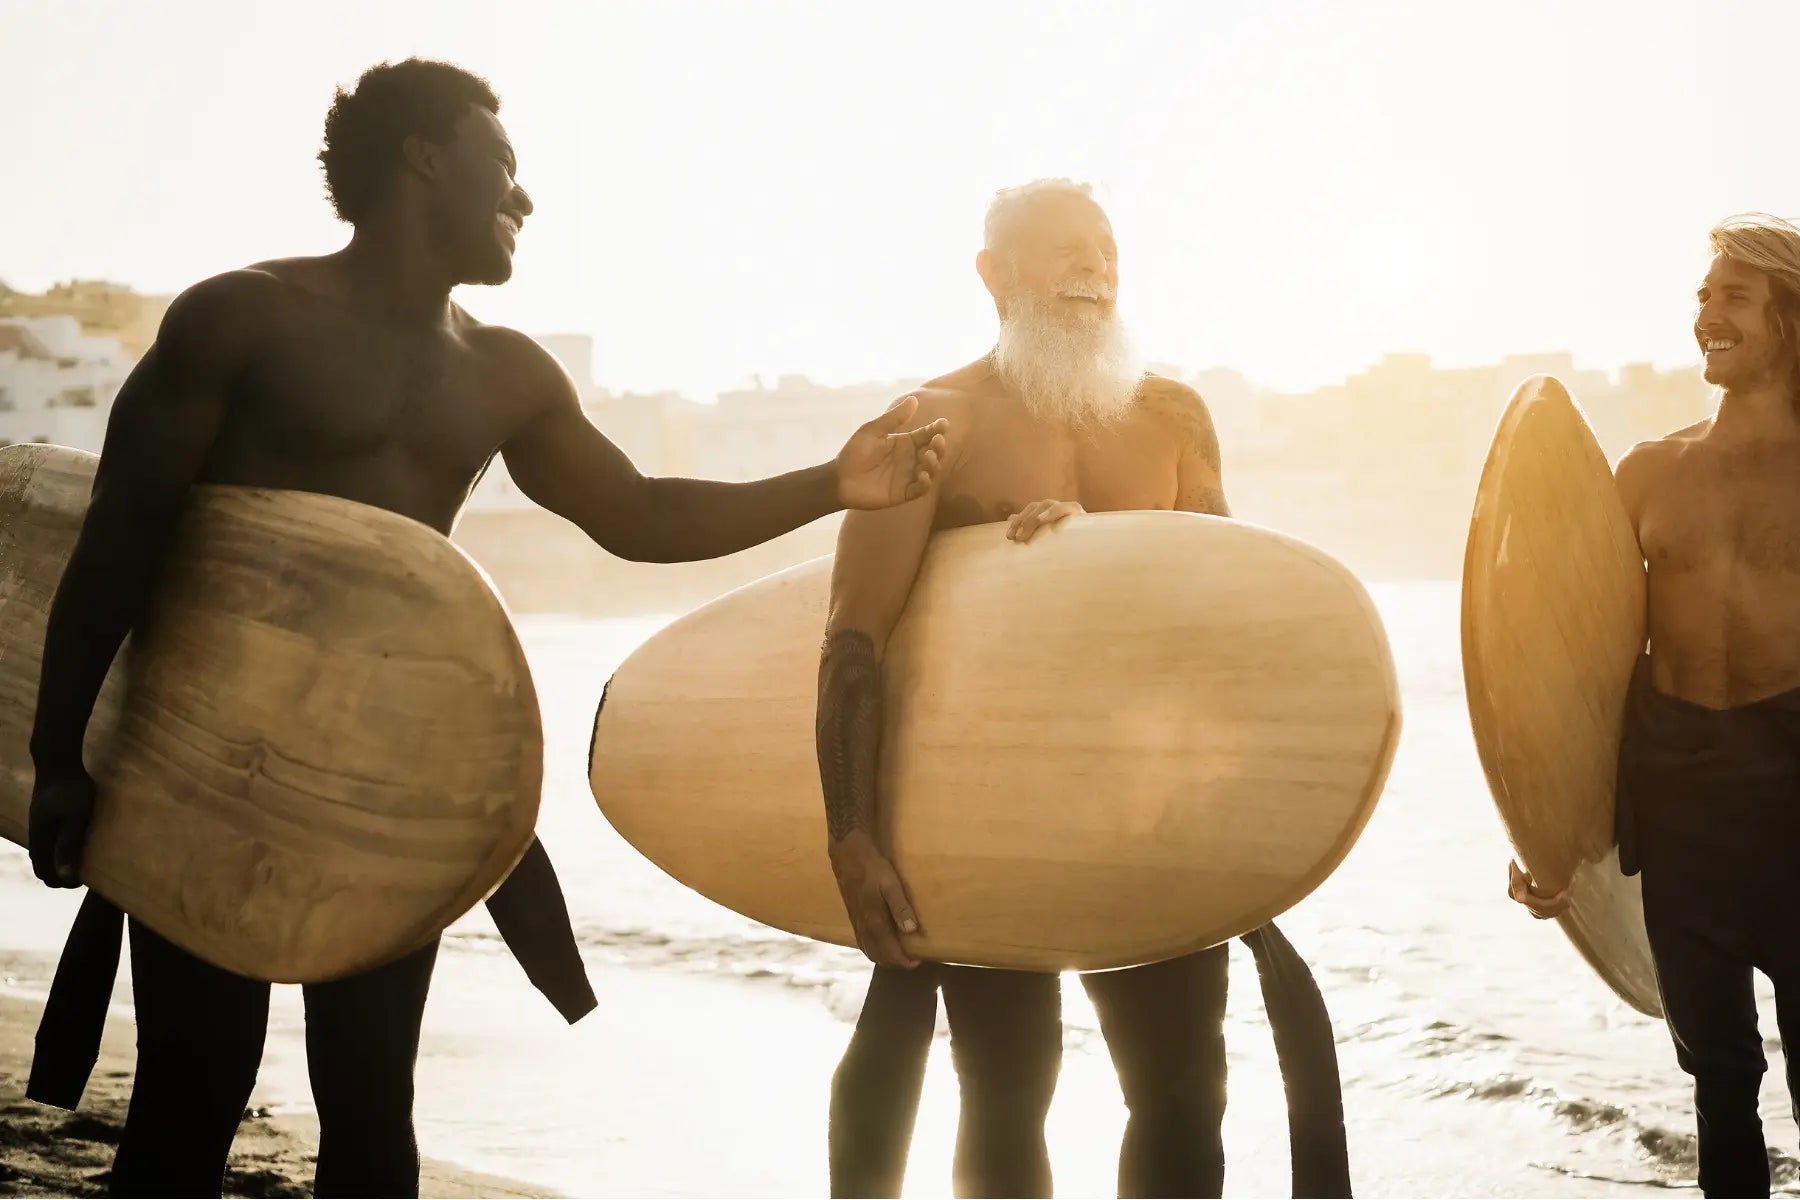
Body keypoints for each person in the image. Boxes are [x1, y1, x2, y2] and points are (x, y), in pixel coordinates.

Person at [22, 57, 947, 1199]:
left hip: (388, 781)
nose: (524, 198)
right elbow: (118, 541)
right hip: (217, 768)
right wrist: (57, 755)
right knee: (191, 1094)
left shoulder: (504, 373)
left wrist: (834, 482)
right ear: (422, 159)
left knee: (372, 1106)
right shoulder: (244, 318)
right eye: (502, 165)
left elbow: (640, 515)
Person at [815, 178, 1349, 1199]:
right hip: (987, 811)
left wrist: (1105, 556)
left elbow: (1223, 601)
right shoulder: (935, 423)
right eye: (1058, 246)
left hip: (1150, 810)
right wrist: (854, 838)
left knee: (1186, 1092)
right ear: (991, 273)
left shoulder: (1171, 416)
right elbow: (854, 643)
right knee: (1009, 1089)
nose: (1090, 265)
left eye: (1103, 247)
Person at [1508, 214, 1800, 1198]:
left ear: (1789, 321)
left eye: (1734, 297)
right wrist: (1552, 833)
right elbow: (1570, 669)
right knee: (1719, 1079)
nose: (1709, 316)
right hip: (1682, 808)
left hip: (1797, 794)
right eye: (1703, 297)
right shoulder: (1646, 474)